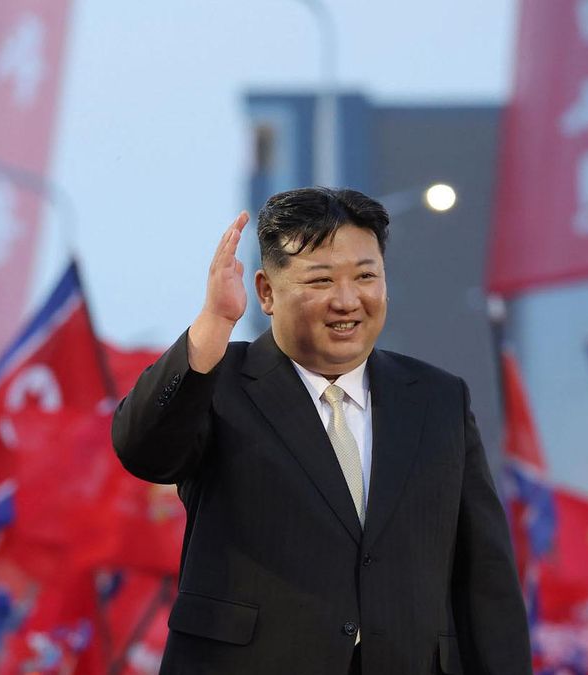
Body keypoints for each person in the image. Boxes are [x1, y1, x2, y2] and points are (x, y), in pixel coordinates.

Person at [111, 187, 531, 674]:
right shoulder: (219, 384)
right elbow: (143, 449)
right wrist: (213, 324)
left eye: (366, 276)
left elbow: (487, 579)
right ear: (266, 292)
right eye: (321, 280)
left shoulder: (438, 399)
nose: (347, 300)